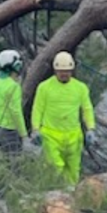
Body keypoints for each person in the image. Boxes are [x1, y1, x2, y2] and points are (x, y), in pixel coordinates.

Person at [30, 51, 96, 185]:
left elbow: (87, 109)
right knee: (55, 167)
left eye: (67, 71)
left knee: (73, 169)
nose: (64, 74)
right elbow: (37, 109)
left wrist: (90, 129)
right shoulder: (44, 87)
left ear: (72, 70)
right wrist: (35, 129)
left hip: (73, 134)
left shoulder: (80, 88)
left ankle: (72, 197)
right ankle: (56, 194)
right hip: (51, 134)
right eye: (61, 71)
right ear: (55, 70)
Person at [0, 49, 28, 153]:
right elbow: (16, 112)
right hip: (10, 131)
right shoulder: (13, 87)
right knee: (14, 165)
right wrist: (23, 134)